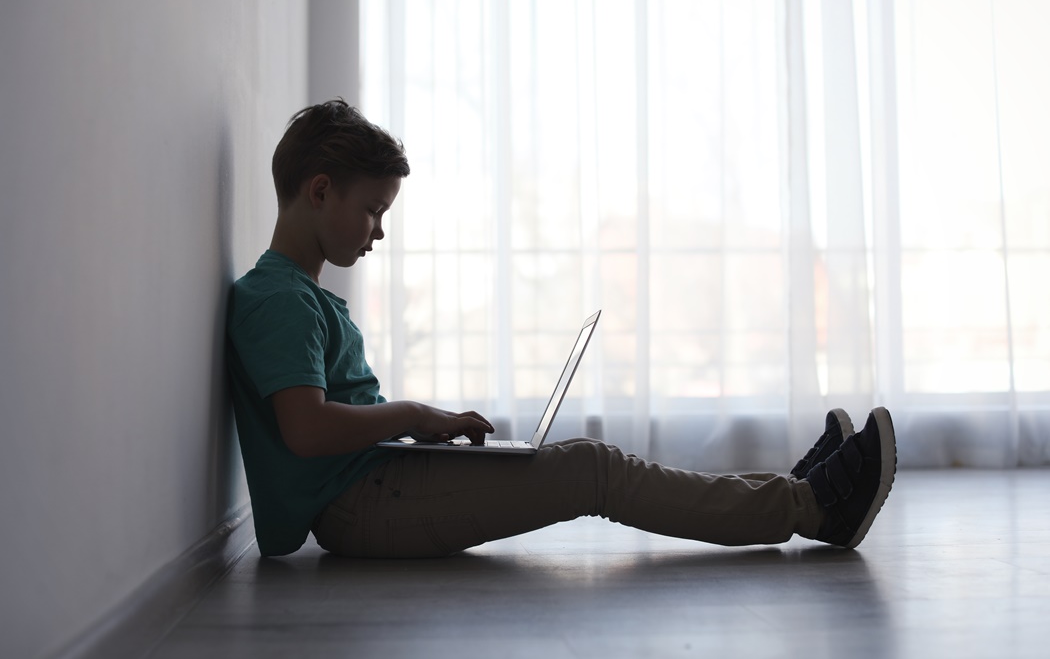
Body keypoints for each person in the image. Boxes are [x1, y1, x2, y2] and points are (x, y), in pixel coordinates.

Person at [226, 98, 897, 559]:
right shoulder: (277, 299)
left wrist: (419, 429)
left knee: (589, 464)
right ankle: (810, 507)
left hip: (378, 483)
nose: (379, 230)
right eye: (372, 209)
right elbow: (307, 430)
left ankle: (788, 492)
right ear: (319, 192)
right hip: (360, 506)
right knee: (591, 470)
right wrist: (413, 413)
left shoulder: (302, 297)